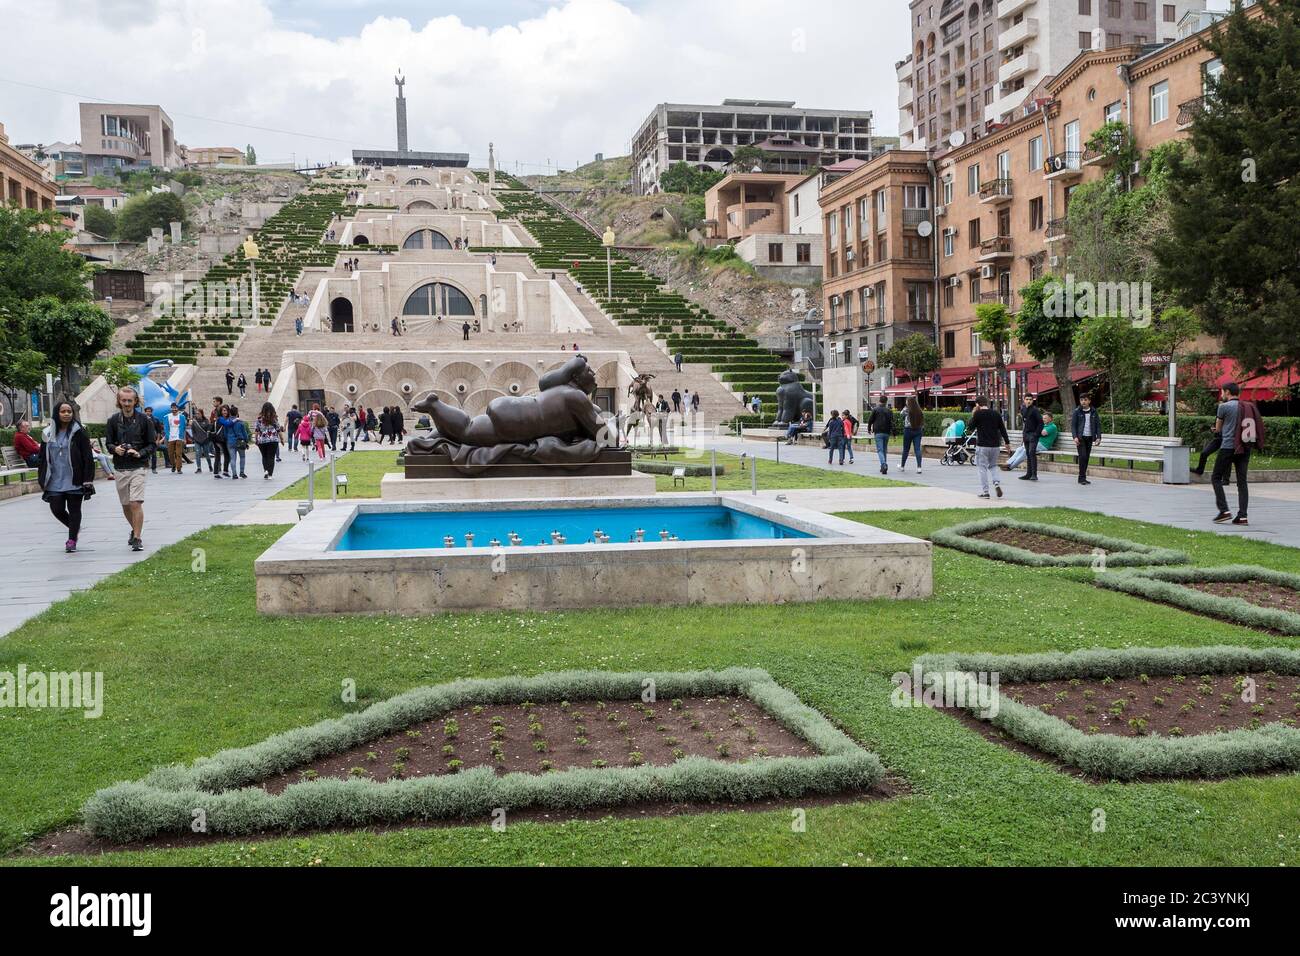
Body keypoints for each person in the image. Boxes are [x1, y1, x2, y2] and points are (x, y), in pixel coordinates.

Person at [38, 400, 96, 553]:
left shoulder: (79, 431)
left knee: (74, 508)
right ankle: (74, 527)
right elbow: (42, 457)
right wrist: (41, 477)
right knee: (56, 508)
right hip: (55, 478)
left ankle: (71, 540)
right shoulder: (47, 433)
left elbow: (87, 457)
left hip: (75, 477)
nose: (66, 414)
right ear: (57, 413)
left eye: (69, 412)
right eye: (63, 411)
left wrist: (88, 479)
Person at [105, 386, 155, 551]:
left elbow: (152, 445)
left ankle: (137, 538)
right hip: (120, 467)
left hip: (138, 466)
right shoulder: (113, 420)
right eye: (123, 400)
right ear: (119, 401)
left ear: (135, 401)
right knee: (126, 505)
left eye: (130, 400)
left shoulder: (144, 420)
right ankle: (134, 529)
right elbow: (109, 443)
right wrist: (115, 449)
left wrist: (139, 453)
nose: (126, 403)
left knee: (135, 502)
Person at [1211, 382, 1264, 526]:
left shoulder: (1223, 407)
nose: (1221, 395)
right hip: (1245, 446)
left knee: (1216, 477)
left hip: (1228, 447)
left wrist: (1215, 429)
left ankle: (1224, 510)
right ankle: (1242, 516)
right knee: (1242, 482)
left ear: (1227, 392)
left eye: (1222, 392)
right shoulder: (1248, 406)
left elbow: (1218, 428)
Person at [967, 395, 1010, 499]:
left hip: (982, 445)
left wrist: (974, 414)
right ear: (986, 403)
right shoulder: (996, 413)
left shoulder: (978, 414)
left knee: (982, 468)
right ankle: (996, 483)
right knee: (993, 466)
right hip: (995, 446)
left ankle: (985, 492)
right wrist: (1007, 443)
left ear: (977, 404)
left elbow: (970, 427)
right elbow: (1003, 429)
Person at [1071, 393, 1103, 485]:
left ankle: (1083, 477)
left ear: (1089, 401)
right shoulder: (1077, 411)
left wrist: (1098, 437)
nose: (1083, 402)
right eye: (1081, 400)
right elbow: (1073, 426)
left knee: (1086, 458)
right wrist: (1075, 437)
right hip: (1081, 438)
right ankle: (1081, 478)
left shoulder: (1094, 411)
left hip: (1090, 438)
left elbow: (1098, 426)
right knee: (1083, 457)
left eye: (1085, 400)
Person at [1018, 393, 1044, 481]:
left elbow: (1041, 423)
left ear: (1032, 401)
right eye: (1027, 399)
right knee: (1028, 454)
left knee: (1032, 452)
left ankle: (1034, 474)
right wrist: (1024, 434)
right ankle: (1028, 474)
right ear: (1024, 400)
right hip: (1026, 434)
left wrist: (1036, 434)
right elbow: (1024, 422)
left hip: (1033, 434)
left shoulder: (1035, 410)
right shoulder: (1023, 409)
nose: (1028, 401)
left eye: (1030, 399)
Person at [254, 403, 282, 479]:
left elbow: (256, 431)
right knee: (271, 457)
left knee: (264, 456)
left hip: (262, 441)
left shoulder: (259, 419)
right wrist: (282, 439)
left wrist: (256, 439)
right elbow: (278, 430)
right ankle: (270, 474)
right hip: (273, 440)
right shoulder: (274, 419)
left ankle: (266, 470)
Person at [867, 397, 894, 475]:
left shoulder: (875, 410)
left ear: (879, 401)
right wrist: (894, 433)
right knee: (884, 450)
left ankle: (883, 465)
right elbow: (892, 422)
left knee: (880, 450)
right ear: (886, 402)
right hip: (886, 432)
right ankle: (883, 466)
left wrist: (869, 429)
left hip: (878, 432)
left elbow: (870, 420)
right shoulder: (889, 411)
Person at [221, 405, 249, 478]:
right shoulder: (240, 422)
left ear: (230, 413)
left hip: (230, 442)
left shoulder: (227, 422)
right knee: (242, 457)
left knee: (233, 459)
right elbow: (244, 433)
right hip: (240, 441)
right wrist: (246, 441)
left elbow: (225, 433)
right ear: (237, 413)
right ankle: (242, 472)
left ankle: (234, 474)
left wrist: (228, 439)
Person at [899, 396, 924, 474]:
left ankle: (902, 466)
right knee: (917, 449)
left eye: (906, 401)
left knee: (906, 449)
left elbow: (901, 414)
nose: (906, 402)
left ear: (908, 402)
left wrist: (906, 406)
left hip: (908, 431)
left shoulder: (907, 409)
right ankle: (919, 467)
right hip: (918, 430)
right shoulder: (919, 410)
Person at [162, 402, 187, 473]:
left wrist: (184, 438)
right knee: (170, 454)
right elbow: (165, 428)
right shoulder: (166, 417)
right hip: (170, 438)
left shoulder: (182, 417)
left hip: (179, 437)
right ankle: (173, 465)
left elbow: (184, 428)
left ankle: (179, 469)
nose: (174, 409)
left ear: (178, 409)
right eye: (173, 408)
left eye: (176, 408)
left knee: (178, 453)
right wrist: (167, 436)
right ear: (171, 409)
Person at [210, 398, 229, 477]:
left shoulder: (224, 419)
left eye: (226, 411)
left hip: (223, 439)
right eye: (223, 411)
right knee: (218, 455)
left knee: (225, 454)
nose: (225, 412)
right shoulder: (220, 419)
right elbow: (227, 424)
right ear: (221, 412)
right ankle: (217, 472)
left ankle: (224, 471)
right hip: (218, 439)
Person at [190, 408, 213, 474]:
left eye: (198, 413)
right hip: (197, 441)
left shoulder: (206, 421)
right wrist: (194, 438)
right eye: (196, 414)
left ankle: (210, 466)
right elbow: (193, 431)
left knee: (206, 454)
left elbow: (208, 429)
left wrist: (207, 436)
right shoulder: (194, 422)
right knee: (197, 454)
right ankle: (199, 468)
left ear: (202, 414)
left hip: (205, 440)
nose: (197, 415)